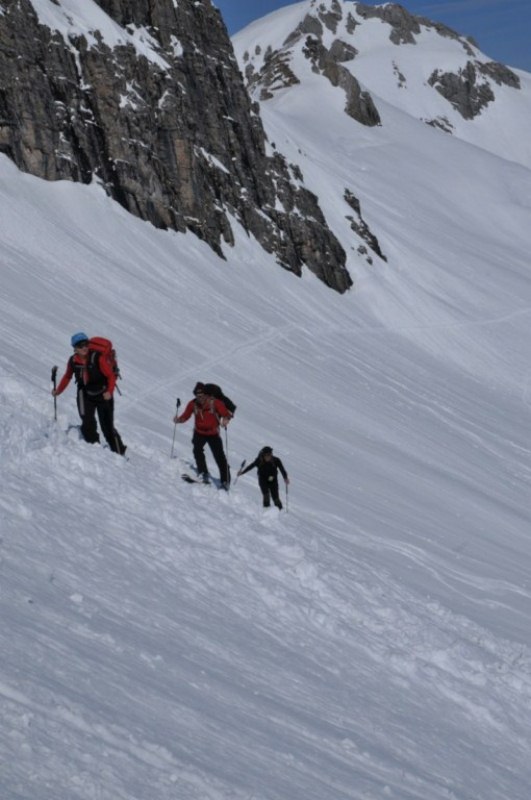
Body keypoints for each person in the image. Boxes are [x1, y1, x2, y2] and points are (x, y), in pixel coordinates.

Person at [52, 332, 127, 455]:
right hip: (85, 393)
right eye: (80, 345)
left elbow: (110, 376)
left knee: (107, 427)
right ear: (75, 348)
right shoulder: (73, 361)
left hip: (103, 394)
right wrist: (58, 391)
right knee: (87, 423)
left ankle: (120, 452)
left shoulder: (98, 358)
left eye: (86, 344)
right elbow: (67, 376)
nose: (84, 347)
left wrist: (109, 392)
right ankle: (94, 449)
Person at [174, 382, 232, 488]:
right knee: (197, 450)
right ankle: (203, 472)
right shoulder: (193, 404)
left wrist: (226, 419)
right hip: (199, 432)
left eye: (202, 395)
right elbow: (186, 415)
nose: (200, 397)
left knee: (219, 456)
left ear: (206, 394)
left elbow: (226, 413)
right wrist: (179, 420)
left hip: (213, 433)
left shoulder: (215, 403)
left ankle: (225, 480)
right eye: (197, 395)